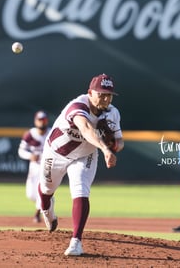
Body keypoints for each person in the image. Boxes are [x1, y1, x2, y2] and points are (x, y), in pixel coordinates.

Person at [37, 73, 124, 256]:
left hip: (85, 155)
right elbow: (85, 129)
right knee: (46, 190)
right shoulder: (77, 106)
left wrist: (113, 145)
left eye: (109, 95)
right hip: (56, 153)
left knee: (81, 190)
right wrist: (105, 149)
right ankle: (47, 208)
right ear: (90, 93)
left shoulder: (113, 113)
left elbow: (120, 141)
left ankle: (76, 241)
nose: (106, 98)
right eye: (101, 94)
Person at [18, 110, 51, 223]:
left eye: (44, 120)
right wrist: (30, 155)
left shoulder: (51, 133)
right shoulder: (30, 134)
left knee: (42, 190)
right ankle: (46, 204)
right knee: (31, 194)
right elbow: (21, 151)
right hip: (34, 167)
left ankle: (38, 213)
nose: (42, 123)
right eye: (40, 120)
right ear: (35, 121)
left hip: (48, 166)